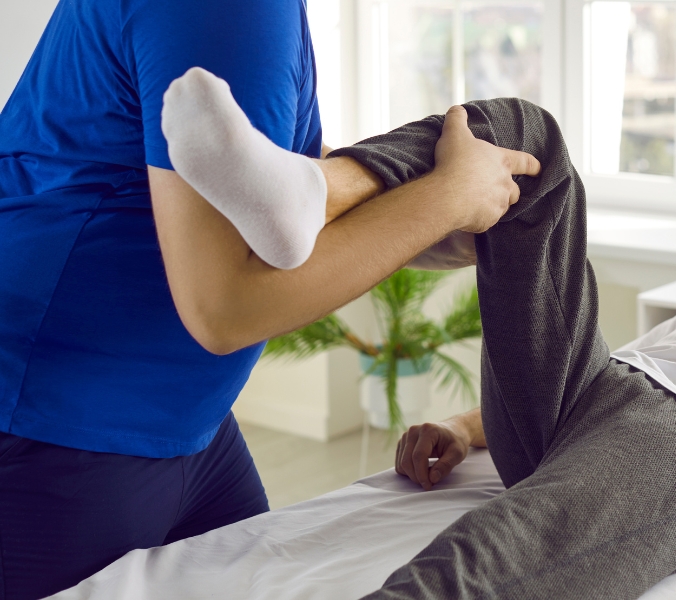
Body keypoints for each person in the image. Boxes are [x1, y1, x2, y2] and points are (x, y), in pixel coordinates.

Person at [155, 80, 676, 597]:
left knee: (497, 553)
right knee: (525, 137)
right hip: (595, 391)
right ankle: (314, 192)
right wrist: (467, 429)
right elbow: (620, 362)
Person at [0, 2, 535, 598]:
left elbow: (253, 191)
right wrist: (443, 200)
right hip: (62, 423)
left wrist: (428, 224)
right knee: (520, 128)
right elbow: (226, 308)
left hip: (190, 423)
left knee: (513, 132)